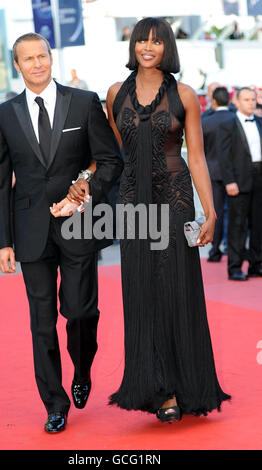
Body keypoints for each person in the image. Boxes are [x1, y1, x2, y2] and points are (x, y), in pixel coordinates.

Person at [0, 32, 123, 433]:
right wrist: (2, 241)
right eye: (27, 59)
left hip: (80, 223)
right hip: (29, 230)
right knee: (41, 321)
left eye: (41, 56)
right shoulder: (4, 114)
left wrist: (81, 191)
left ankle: (82, 370)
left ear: (51, 57)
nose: (36, 64)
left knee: (81, 312)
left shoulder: (83, 103)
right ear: (17, 65)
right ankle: (54, 402)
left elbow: (108, 161)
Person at [105, 17, 230, 423]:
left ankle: (185, 386)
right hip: (133, 208)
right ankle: (156, 390)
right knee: (142, 294)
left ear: (167, 48)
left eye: (157, 42)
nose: (147, 46)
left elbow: (195, 157)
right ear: (132, 45)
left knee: (177, 291)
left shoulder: (185, 95)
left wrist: (209, 211)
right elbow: (115, 153)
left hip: (175, 203)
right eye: (141, 39)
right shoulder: (114, 95)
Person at [219, 87, 262, 280]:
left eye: (253, 99)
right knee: (237, 226)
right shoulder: (228, 124)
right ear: (237, 101)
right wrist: (229, 181)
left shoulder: (260, 122)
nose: (251, 103)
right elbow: (223, 156)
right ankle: (235, 267)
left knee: (258, 225)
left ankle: (256, 264)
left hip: (259, 177)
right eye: (246, 100)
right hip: (238, 180)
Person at [201, 87, 232, 262]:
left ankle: (215, 250)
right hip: (234, 173)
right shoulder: (235, 119)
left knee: (216, 211)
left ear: (214, 101)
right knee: (235, 213)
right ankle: (232, 247)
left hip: (212, 171)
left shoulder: (206, 122)